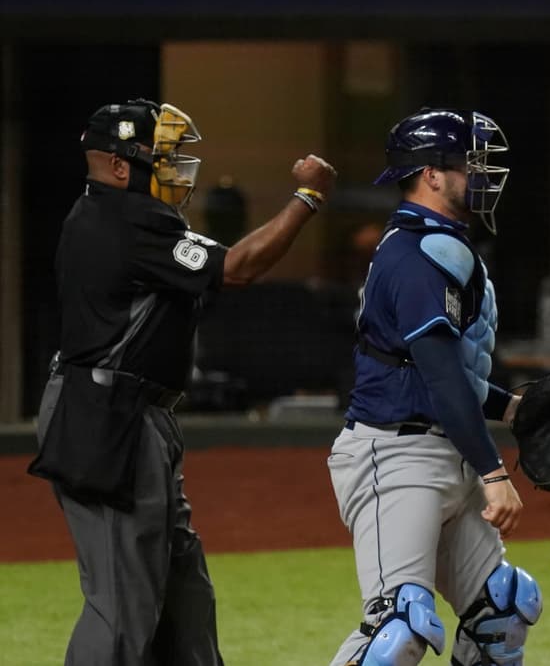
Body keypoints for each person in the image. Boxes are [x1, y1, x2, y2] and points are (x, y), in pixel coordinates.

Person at [27, 99, 336, 665]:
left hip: (128, 411)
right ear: (121, 166)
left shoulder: (110, 213)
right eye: (161, 155)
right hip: (108, 417)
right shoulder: (126, 221)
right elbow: (239, 267)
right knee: (122, 606)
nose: (176, 167)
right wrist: (306, 198)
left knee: (183, 594)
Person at [327, 108, 540, 666]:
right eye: (471, 165)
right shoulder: (413, 256)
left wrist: (511, 408)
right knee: (398, 628)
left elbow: (445, 369)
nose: (484, 177)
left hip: (446, 449)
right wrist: (495, 473)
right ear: (431, 175)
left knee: (502, 611)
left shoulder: (440, 245)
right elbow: (439, 375)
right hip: (396, 455)